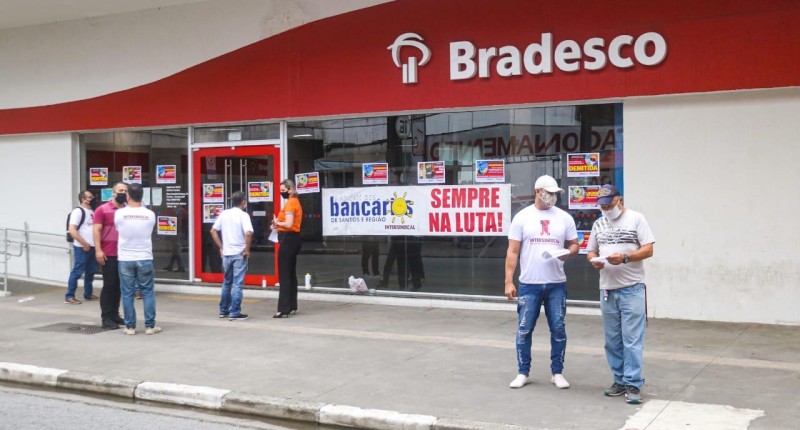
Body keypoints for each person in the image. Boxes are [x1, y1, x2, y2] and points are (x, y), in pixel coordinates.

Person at [504, 175, 578, 390]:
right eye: (549, 193)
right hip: (529, 284)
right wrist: (508, 281)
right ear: (538, 191)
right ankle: (523, 372)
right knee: (524, 329)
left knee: (558, 328)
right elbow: (512, 251)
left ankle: (557, 372)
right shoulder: (522, 217)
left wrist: (569, 252)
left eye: (555, 193)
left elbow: (575, 244)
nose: (552, 197)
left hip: (556, 283)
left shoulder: (564, 218)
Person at [586, 184, 655, 405]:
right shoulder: (599, 223)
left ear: (619, 199)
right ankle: (619, 380)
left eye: (608, 204)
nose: (605, 209)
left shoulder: (636, 219)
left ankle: (633, 383)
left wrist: (625, 258)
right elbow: (591, 250)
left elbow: (648, 249)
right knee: (612, 341)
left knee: (632, 340)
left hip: (632, 288)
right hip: (607, 290)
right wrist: (593, 261)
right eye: (602, 205)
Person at [115, 183, 160, 335]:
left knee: (127, 293)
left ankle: (130, 327)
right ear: (142, 196)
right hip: (145, 256)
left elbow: (118, 229)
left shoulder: (119, 214)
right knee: (147, 292)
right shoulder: (150, 214)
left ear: (128, 195)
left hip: (126, 258)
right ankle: (150, 326)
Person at [210, 191, 253, 321]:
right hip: (239, 254)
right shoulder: (243, 215)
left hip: (227, 254)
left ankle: (223, 310)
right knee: (237, 284)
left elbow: (213, 231)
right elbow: (249, 233)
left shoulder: (224, 214)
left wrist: (221, 247)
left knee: (227, 282)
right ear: (243, 202)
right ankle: (235, 312)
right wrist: (247, 249)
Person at [94, 182, 128, 330]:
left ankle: (114, 314)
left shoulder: (128, 210)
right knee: (109, 285)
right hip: (108, 253)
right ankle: (106, 317)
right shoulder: (103, 209)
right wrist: (98, 250)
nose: (123, 193)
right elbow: (96, 230)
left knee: (119, 286)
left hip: (125, 253)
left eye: (125, 191)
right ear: (113, 192)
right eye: (120, 190)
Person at [271, 179, 303, 318]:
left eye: (283, 190)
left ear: (290, 189)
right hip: (294, 239)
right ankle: (291, 305)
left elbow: (289, 224)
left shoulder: (290, 203)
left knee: (284, 274)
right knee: (291, 273)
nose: (281, 192)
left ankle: (283, 308)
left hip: (288, 239)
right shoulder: (296, 202)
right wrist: (278, 225)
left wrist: (277, 222)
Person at [65, 190, 98, 304]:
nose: (92, 198)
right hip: (82, 247)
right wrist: (84, 244)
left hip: (92, 246)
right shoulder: (78, 212)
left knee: (91, 271)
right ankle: (69, 296)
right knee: (77, 271)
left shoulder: (92, 211)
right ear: (83, 199)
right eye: (90, 197)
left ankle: (88, 294)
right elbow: (72, 230)